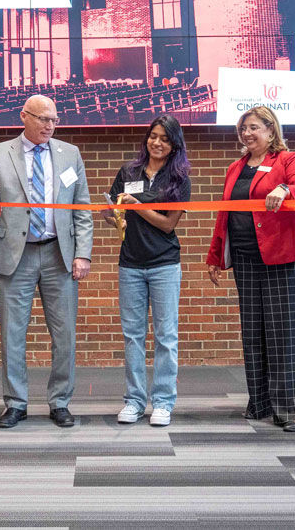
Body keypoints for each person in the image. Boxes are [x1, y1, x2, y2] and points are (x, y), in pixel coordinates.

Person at [0, 95, 94, 429]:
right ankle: (15, 403)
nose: (49, 126)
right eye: (43, 119)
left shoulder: (69, 153)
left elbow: (81, 208)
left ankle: (60, 402)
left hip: (60, 254)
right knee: (12, 333)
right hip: (15, 254)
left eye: (54, 120)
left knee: (64, 334)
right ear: (24, 117)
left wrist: (83, 253)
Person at [206, 105, 295, 432]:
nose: (247, 134)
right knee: (254, 332)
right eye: (243, 129)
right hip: (245, 258)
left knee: (287, 333)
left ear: (271, 131)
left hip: (286, 257)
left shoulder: (286, 159)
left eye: (254, 127)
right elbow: (225, 214)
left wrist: (284, 189)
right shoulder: (235, 167)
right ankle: (261, 402)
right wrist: (216, 256)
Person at [103, 114, 191, 427]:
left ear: (174, 144)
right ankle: (134, 401)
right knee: (133, 336)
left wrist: (137, 206)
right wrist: (115, 214)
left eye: (165, 139)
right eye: (153, 136)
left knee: (166, 336)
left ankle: (164, 402)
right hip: (130, 264)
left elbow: (168, 224)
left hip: (164, 264)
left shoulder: (179, 177)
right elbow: (109, 208)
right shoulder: (128, 170)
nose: (157, 142)